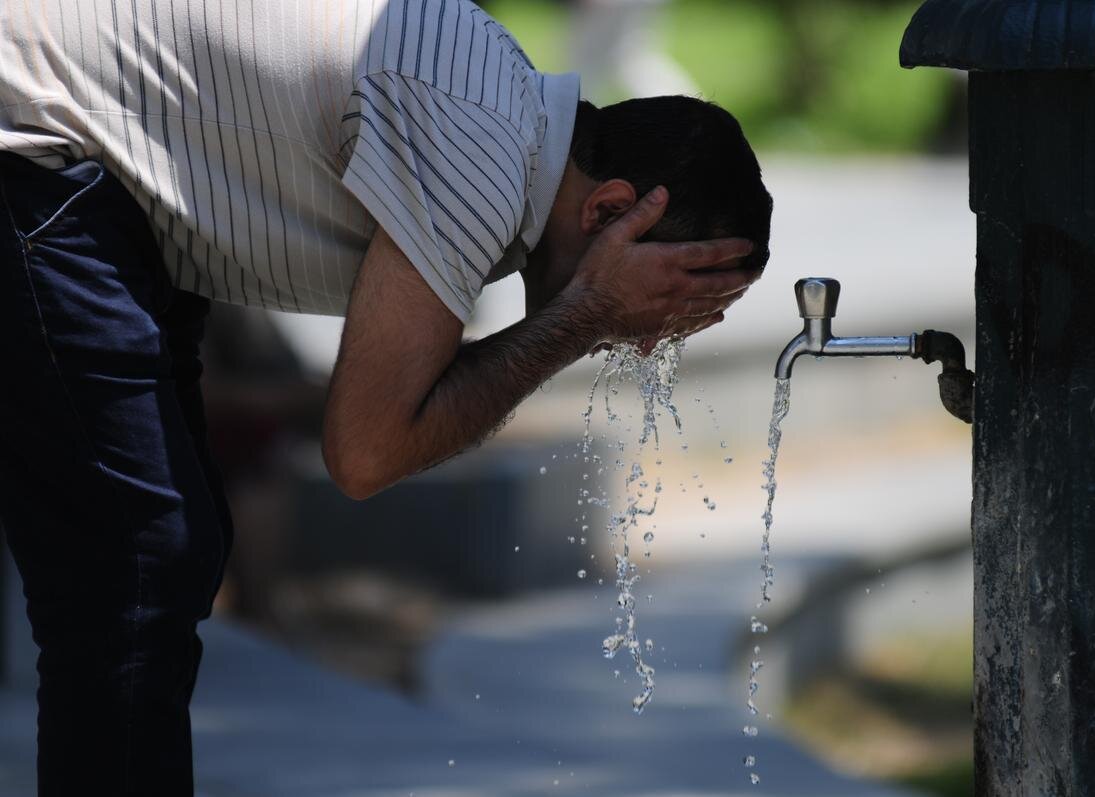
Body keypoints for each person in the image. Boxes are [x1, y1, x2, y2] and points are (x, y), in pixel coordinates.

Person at [0, 0, 773, 794]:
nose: (646, 339)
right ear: (609, 210)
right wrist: (583, 316)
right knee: (137, 569)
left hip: (96, 182)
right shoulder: (483, 152)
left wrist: (584, 312)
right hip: (35, 143)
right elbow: (366, 451)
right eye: (661, 304)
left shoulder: (500, 128)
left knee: (165, 560)